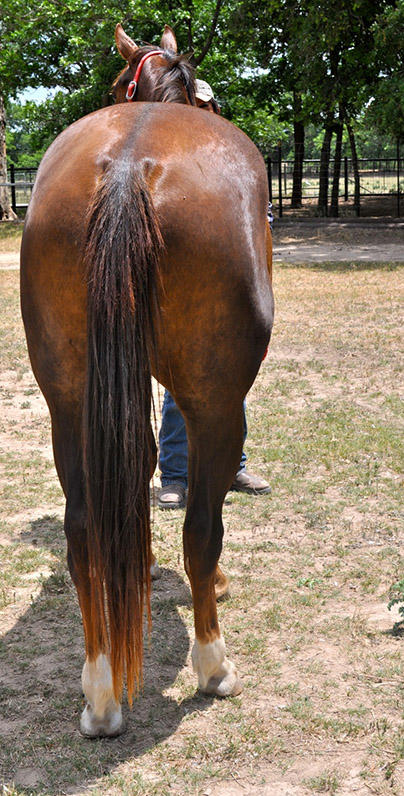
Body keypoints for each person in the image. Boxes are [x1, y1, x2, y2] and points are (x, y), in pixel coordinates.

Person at [157, 80, 271, 510]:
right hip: (186, 291)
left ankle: (231, 463)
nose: (202, 110)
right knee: (177, 383)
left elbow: (261, 225)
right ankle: (176, 474)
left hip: (230, 290)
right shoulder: (176, 158)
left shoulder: (232, 157)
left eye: (206, 104)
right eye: (195, 104)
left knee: (231, 380)